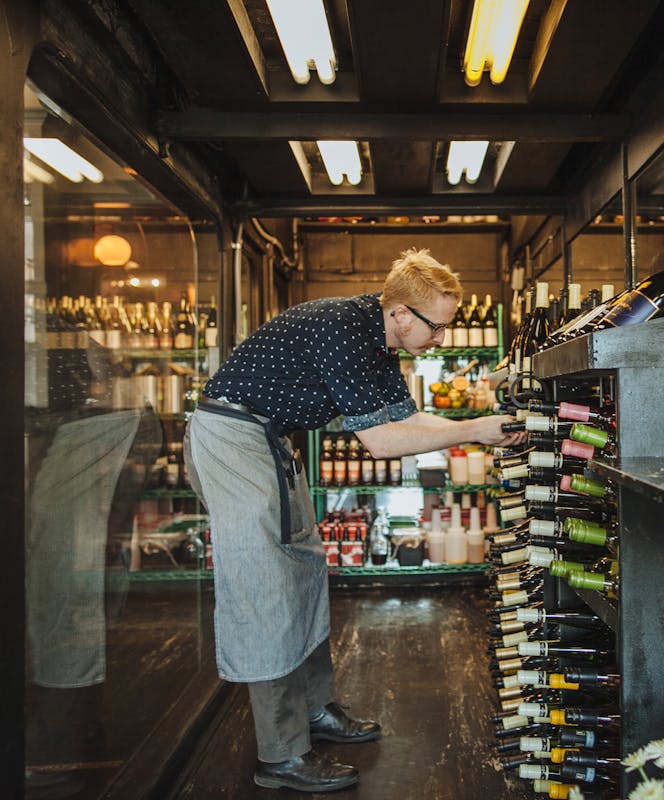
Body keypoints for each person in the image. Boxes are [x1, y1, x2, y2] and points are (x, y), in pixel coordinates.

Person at [182, 248, 524, 793]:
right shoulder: (341, 327)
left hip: (268, 440)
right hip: (232, 437)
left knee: (304, 572)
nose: (442, 339)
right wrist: (473, 430)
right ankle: (281, 754)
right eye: (437, 327)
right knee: (264, 588)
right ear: (401, 314)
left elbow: (407, 419)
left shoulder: (378, 342)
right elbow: (383, 441)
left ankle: (315, 710)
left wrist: (479, 425)